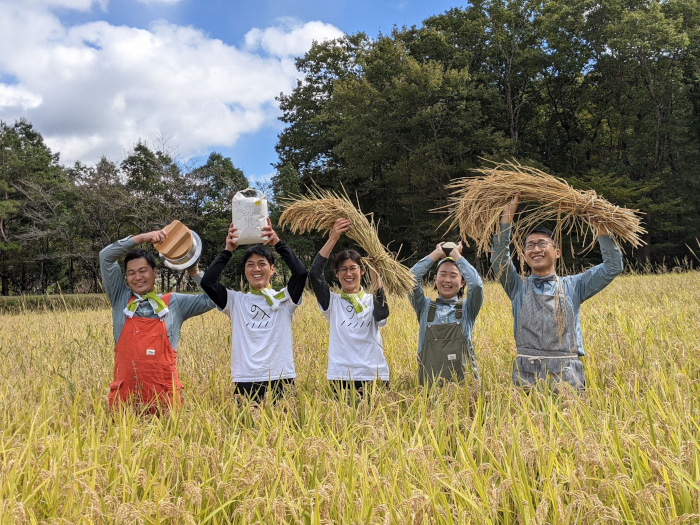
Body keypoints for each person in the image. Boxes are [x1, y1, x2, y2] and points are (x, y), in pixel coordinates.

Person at [491, 194, 624, 390]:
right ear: (525, 256)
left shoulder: (575, 286)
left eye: (542, 244)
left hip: (567, 377)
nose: (536, 249)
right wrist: (506, 218)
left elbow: (613, 266)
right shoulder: (517, 286)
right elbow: (499, 260)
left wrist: (599, 225)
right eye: (530, 245)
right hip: (527, 375)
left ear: (558, 252)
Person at [99, 230, 215, 412]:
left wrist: (194, 271)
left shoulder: (174, 303)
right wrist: (143, 238)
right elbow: (105, 256)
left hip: (164, 399)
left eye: (142, 271)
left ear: (155, 272)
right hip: (125, 401)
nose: (137, 277)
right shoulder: (120, 298)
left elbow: (213, 299)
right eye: (131, 273)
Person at [200, 218, 308, 402]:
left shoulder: (285, 299)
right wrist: (227, 251)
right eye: (250, 264)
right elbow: (207, 282)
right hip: (246, 378)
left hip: (281, 376)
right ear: (245, 271)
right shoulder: (235, 300)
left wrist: (277, 243)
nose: (256, 269)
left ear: (272, 269)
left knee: (286, 429)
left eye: (262, 263)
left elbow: (300, 273)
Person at [309, 218, 390, 397]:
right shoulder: (332, 303)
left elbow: (382, 315)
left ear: (362, 271)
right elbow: (314, 275)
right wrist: (333, 238)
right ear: (337, 274)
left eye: (353, 268)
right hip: (341, 376)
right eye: (343, 269)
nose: (348, 273)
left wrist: (376, 277)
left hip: (373, 374)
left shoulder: (371, 300)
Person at [410, 241, 483, 386]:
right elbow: (410, 279)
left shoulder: (468, 308)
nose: (447, 280)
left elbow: (476, 285)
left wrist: (456, 255)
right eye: (442, 275)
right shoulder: (424, 306)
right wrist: (437, 253)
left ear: (462, 282)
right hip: (429, 389)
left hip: (465, 389)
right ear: (435, 279)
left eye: (454, 275)